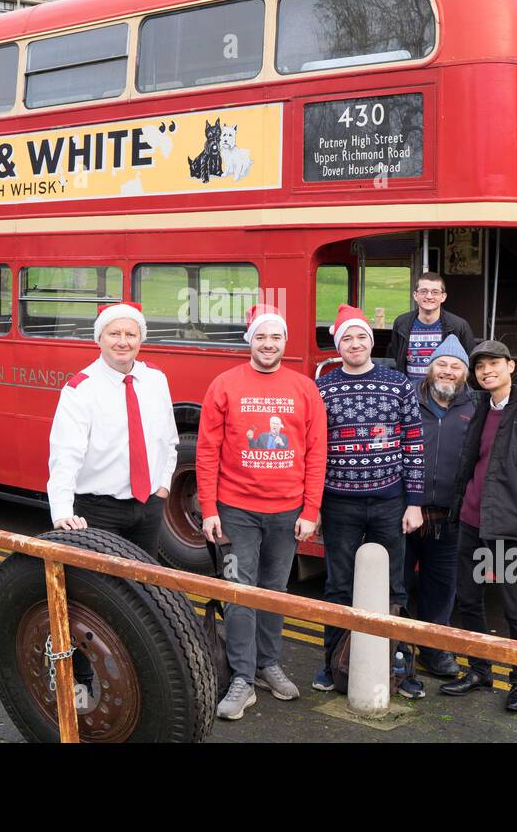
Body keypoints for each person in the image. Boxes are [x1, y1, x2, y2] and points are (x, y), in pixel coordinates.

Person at [197, 303, 326, 721]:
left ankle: (268, 664)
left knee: (274, 592)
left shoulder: (305, 388)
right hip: (236, 512)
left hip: (287, 515)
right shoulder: (224, 384)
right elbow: (207, 451)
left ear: (285, 342)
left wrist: (311, 509)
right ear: (249, 340)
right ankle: (242, 677)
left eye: (276, 337)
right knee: (239, 593)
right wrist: (209, 507)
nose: (268, 344)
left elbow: (316, 452)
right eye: (261, 336)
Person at [440, 340, 517, 713]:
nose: (487, 371)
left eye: (494, 364)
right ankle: (479, 670)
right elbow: (470, 465)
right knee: (468, 599)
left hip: (510, 529)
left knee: (514, 605)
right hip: (471, 521)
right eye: (480, 367)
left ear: (511, 366)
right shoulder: (479, 408)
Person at [312, 305, 426, 698]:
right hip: (339, 503)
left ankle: (399, 664)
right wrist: (315, 504)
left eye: (361, 337)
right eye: (347, 338)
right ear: (338, 344)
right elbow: (315, 449)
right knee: (338, 585)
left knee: (394, 586)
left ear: (371, 341)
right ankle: (333, 663)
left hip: (390, 502)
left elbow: (414, 445)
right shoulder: (322, 388)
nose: (355, 344)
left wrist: (414, 502)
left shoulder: (398, 385)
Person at [46, 302, 179, 560]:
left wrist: (163, 485)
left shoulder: (156, 379)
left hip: (148, 506)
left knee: (146, 586)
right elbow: (66, 454)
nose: (123, 342)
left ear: (140, 339)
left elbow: (169, 439)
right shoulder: (81, 389)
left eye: (131, 334)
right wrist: (62, 512)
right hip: (98, 510)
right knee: (103, 590)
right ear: (99, 339)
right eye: (114, 334)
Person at [404, 334, 478, 681]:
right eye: (442, 364)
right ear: (429, 367)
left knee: (441, 588)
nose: (448, 372)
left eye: (455, 366)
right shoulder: (407, 400)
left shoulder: (475, 409)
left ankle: (434, 650)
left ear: (465, 373)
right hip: (405, 512)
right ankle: (398, 650)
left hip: (449, 518)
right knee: (397, 584)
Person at [391, 271, 476, 381]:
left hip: (446, 394)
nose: (429, 296)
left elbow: (470, 363)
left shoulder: (459, 326)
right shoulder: (401, 323)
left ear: (443, 297)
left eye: (435, 292)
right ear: (415, 295)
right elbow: (398, 358)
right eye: (423, 291)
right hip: (410, 394)